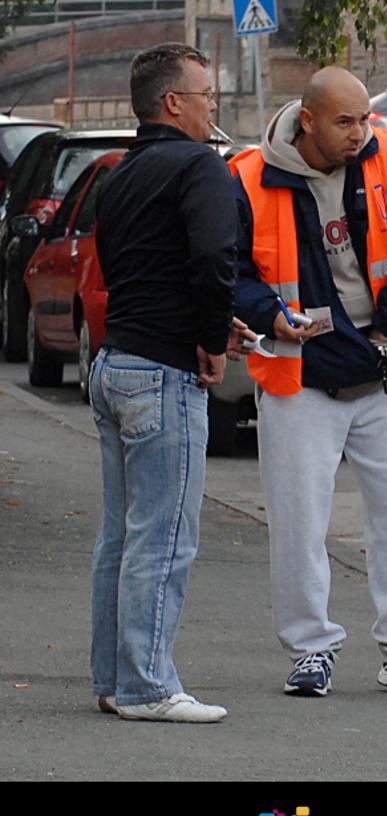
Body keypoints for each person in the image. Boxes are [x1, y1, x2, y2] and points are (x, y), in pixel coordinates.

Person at [232, 66, 387, 701]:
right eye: (345, 122)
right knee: (300, 521)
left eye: (364, 119)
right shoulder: (248, 177)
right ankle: (310, 651)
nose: (361, 132)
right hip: (300, 377)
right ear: (308, 121)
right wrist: (271, 315)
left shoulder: (386, 157)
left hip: (386, 369)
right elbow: (231, 270)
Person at [91, 43, 253, 723]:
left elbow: (145, 267)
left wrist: (209, 321)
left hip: (115, 363)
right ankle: (149, 688)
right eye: (206, 93)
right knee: (163, 538)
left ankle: (113, 678)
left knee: (121, 537)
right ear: (173, 103)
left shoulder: (120, 175)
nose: (214, 105)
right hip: (163, 374)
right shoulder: (200, 167)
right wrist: (212, 339)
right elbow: (216, 257)